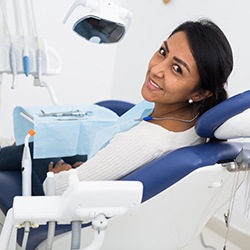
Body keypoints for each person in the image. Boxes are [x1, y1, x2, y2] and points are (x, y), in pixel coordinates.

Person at [0, 18, 233, 196]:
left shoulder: (145, 142)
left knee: (30, 149)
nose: (156, 69)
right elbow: (118, 164)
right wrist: (96, 167)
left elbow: (61, 189)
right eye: (163, 52)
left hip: (64, 198)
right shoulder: (193, 121)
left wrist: (59, 175)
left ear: (201, 92)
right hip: (96, 171)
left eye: (177, 69)